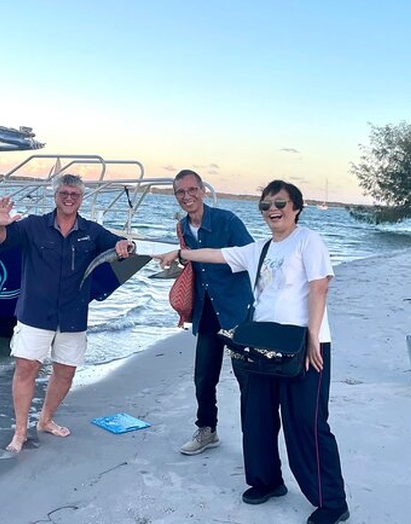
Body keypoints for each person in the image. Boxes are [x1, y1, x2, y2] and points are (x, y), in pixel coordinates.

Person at [153, 179, 349, 524]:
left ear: (296, 208)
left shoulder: (308, 241)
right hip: (261, 344)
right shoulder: (259, 248)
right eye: (266, 206)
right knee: (256, 417)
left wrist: (314, 337)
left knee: (306, 423)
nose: (273, 210)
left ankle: (331, 502)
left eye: (280, 204)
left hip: (304, 346)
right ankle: (267, 482)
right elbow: (217, 255)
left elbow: (320, 287)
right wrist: (180, 253)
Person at [0, 174, 136, 453]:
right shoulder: (33, 226)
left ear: (82, 199)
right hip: (35, 313)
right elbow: (1, 240)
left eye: (75, 194)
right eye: (64, 193)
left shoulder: (92, 232)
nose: (69, 198)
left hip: (73, 316)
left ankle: (45, 420)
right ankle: (20, 431)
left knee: (66, 372)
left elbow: (123, 245)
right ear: (55, 196)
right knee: (26, 368)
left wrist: (125, 246)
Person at [169, 169, 254, 456]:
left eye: (192, 190)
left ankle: (255, 434)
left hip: (235, 309)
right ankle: (207, 430)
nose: (187, 196)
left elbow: (252, 258)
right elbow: (193, 267)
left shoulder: (227, 221)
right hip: (206, 309)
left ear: (203, 190)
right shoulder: (182, 227)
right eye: (180, 192)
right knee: (204, 376)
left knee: (246, 376)